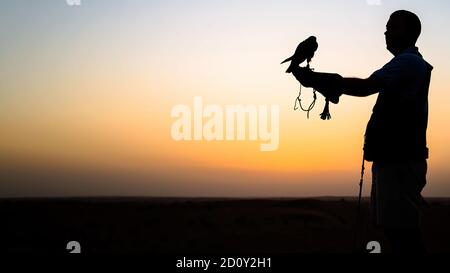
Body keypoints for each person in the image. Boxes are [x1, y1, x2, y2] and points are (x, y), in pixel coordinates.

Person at [291, 10, 433, 254]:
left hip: (400, 162)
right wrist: (321, 81)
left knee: (403, 233)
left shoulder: (408, 62)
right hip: (394, 160)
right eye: (386, 27)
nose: (386, 31)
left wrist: (321, 80)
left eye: (393, 27)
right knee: (395, 230)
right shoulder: (403, 63)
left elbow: (367, 86)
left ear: (410, 33)